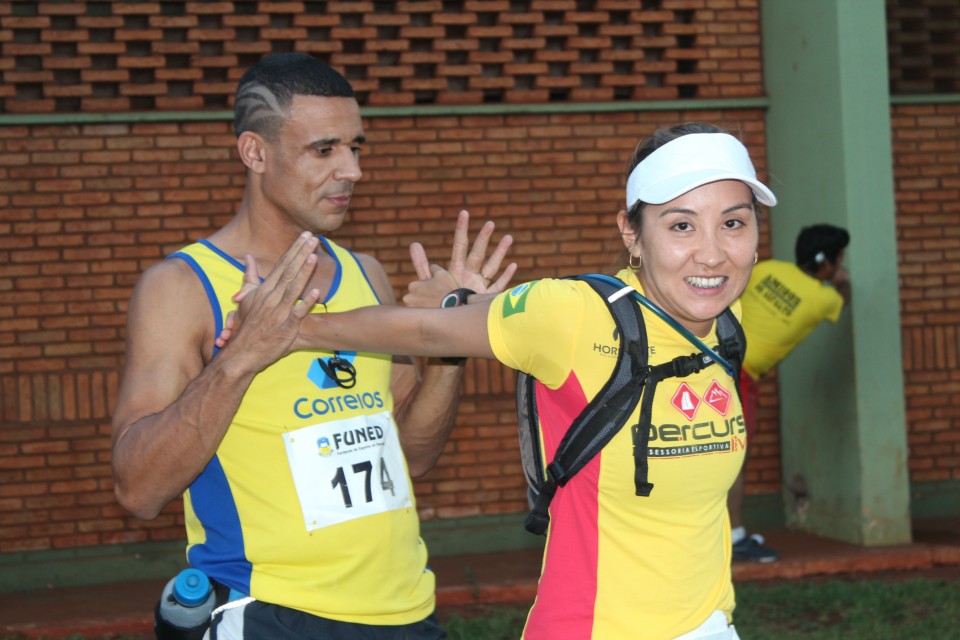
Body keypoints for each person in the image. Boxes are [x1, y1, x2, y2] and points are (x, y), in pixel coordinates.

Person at [222, 121, 778, 640]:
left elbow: (459, 310)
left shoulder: (725, 328)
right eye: (681, 225)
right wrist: (293, 329)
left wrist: (457, 300)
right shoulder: (576, 314)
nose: (712, 252)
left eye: (733, 222)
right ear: (631, 233)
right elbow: (424, 331)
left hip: (710, 623)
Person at [110, 52, 515, 639]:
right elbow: (138, 489)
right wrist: (244, 355)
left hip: (403, 611)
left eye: (356, 147)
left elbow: (413, 455)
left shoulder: (367, 274)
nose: (351, 170)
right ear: (256, 153)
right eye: (324, 150)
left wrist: (452, 345)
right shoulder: (181, 288)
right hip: (265, 610)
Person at [727, 224, 851, 563]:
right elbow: (843, 298)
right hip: (741, 376)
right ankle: (734, 538)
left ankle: (723, 534)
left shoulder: (766, 269)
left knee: (722, 452)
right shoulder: (823, 298)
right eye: (840, 257)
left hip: (719, 362)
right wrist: (839, 279)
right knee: (735, 457)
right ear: (827, 262)